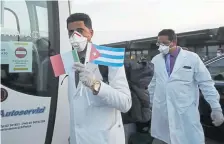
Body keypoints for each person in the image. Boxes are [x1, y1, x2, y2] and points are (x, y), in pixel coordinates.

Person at [148, 29, 224, 144]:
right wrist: (150, 103)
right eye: (159, 43)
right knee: (163, 138)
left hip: (185, 111)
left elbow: (206, 83)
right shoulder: (156, 60)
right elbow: (153, 84)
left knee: (188, 139)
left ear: (173, 42)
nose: (160, 46)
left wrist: (215, 107)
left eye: (164, 43)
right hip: (162, 110)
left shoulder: (192, 58)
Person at [66, 13, 132, 144]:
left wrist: (96, 85)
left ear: (90, 33)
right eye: (71, 32)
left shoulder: (109, 58)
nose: (75, 36)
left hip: (103, 139)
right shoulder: (67, 59)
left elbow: (125, 103)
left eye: (80, 31)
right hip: (78, 138)